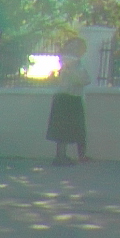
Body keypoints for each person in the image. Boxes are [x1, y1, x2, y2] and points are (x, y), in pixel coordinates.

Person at [46, 37, 90, 166]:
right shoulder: (71, 63)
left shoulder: (70, 62)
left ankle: (68, 156)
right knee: (64, 128)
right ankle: (61, 157)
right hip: (67, 98)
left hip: (68, 97)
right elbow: (83, 80)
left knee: (71, 128)